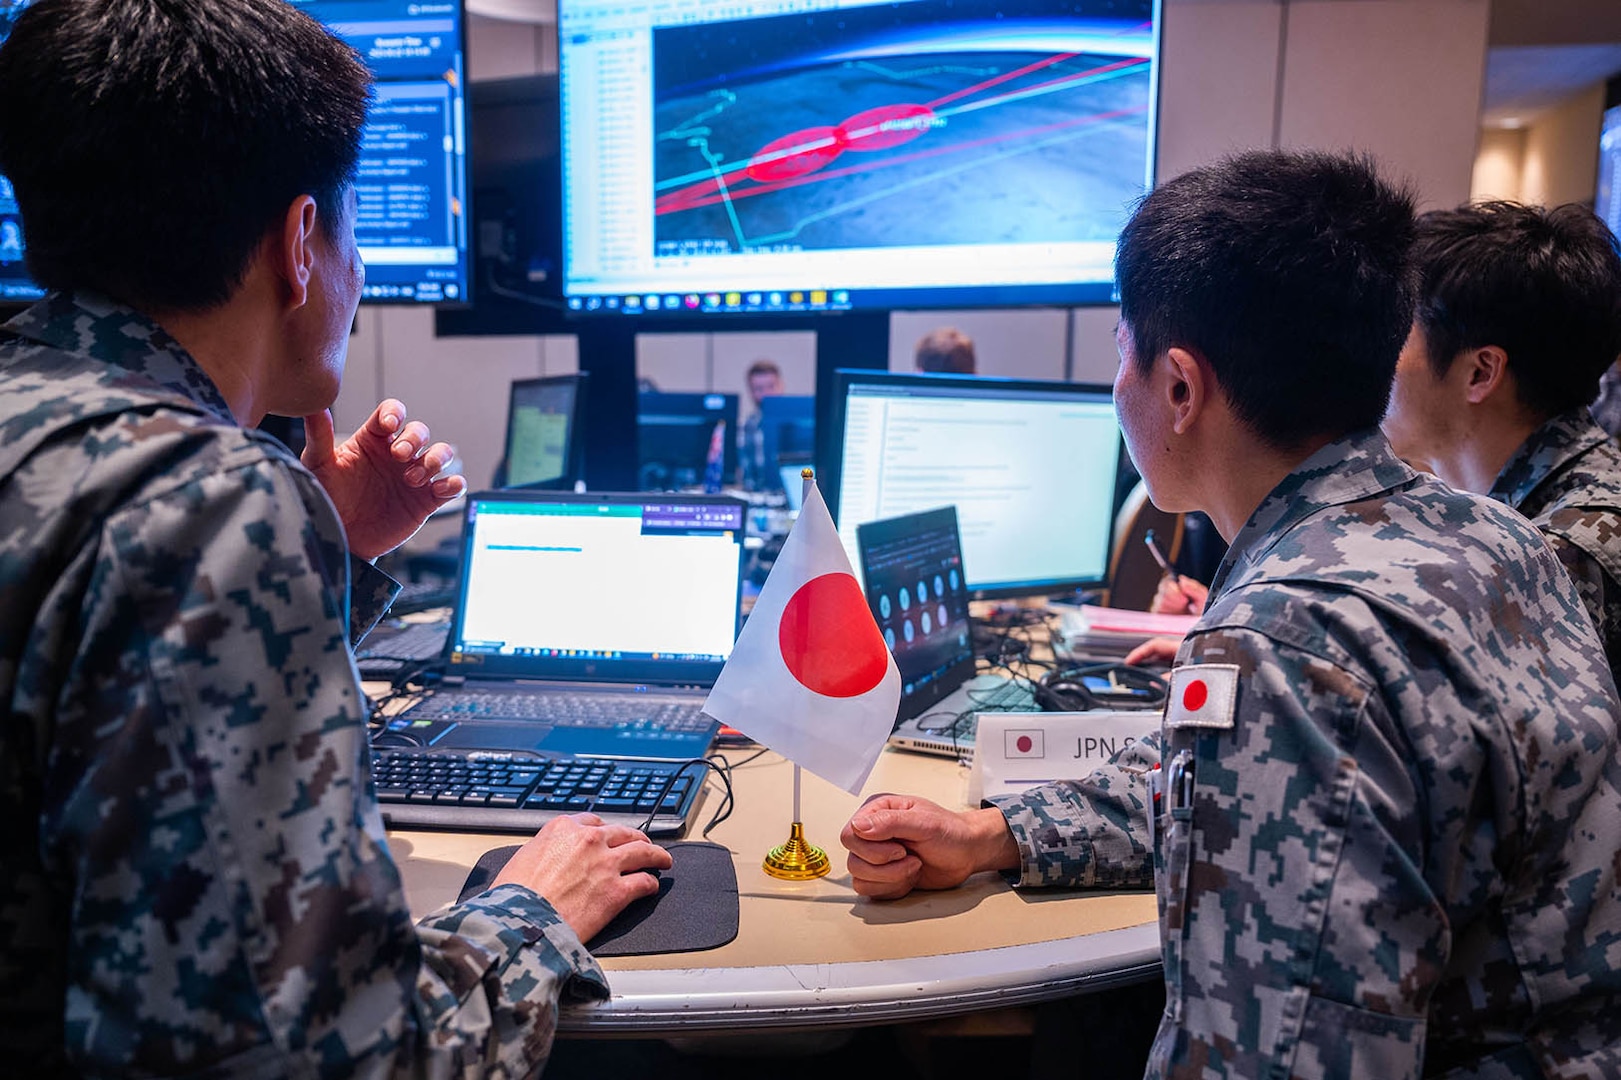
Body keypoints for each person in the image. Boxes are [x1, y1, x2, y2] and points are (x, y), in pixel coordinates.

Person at [840, 150, 1621, 1076]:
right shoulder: (1485, 534)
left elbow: (1277, 1059)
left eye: (1119, 352)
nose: (1116, 387)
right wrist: (1000, 834)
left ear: (1178, 386)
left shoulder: (1282, 645)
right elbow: (1254, 796)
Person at [0, 1, 669, 1075]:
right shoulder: (210, 503)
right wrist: (532, 909)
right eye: (354, 232)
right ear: (300, 242)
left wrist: (332, 549)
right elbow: (323, 1061)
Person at [1381, 201, 1621, 683]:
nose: (1374, 357)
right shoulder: (1515, 510)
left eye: (1396, 333)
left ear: (1480, 371)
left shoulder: (1562, 553)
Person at [739, 357, 783, 489]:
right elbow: (746, 477)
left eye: (771, 386)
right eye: (759, 389)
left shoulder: (799, 424)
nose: (766, 394)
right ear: (751, 392)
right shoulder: (746, 427)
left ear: (781, 385)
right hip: (759, 499)